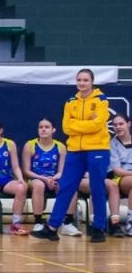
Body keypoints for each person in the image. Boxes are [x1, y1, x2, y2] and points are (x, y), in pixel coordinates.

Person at [35, 69, 114, 243]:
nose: (82, 83)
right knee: (65, 187)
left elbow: (98, 124)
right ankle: (52, 227)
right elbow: (66, 127)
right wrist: (86, 123)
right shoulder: (71, 102)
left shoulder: (101, 100)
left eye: (85, 80)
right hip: (75, 151)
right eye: (79, 80)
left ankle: (99, 228)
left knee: (97, 188)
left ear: (92, 82)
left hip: (97, 149)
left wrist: (77, 124)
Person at [21, 119, 76, 237]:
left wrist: (54, 178)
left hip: (54, 178)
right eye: (41, 127)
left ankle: (68, 223)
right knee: (39, 185)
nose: (43, 129)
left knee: (70, 186)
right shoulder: (30, 145)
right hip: (35, 178)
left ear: (53, 130)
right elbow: (26, 171)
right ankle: (38, 221)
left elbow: (62, 170)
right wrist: (44, 179)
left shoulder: (60, 146)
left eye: (47, 127)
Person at [108, 114, 132, 237]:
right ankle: (130, 224)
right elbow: (117, 170)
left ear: (128, 124)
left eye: (121, 124)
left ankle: (130, 221)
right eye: (115, 125)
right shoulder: (112, 144)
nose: (118, 127)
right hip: (119, 179)